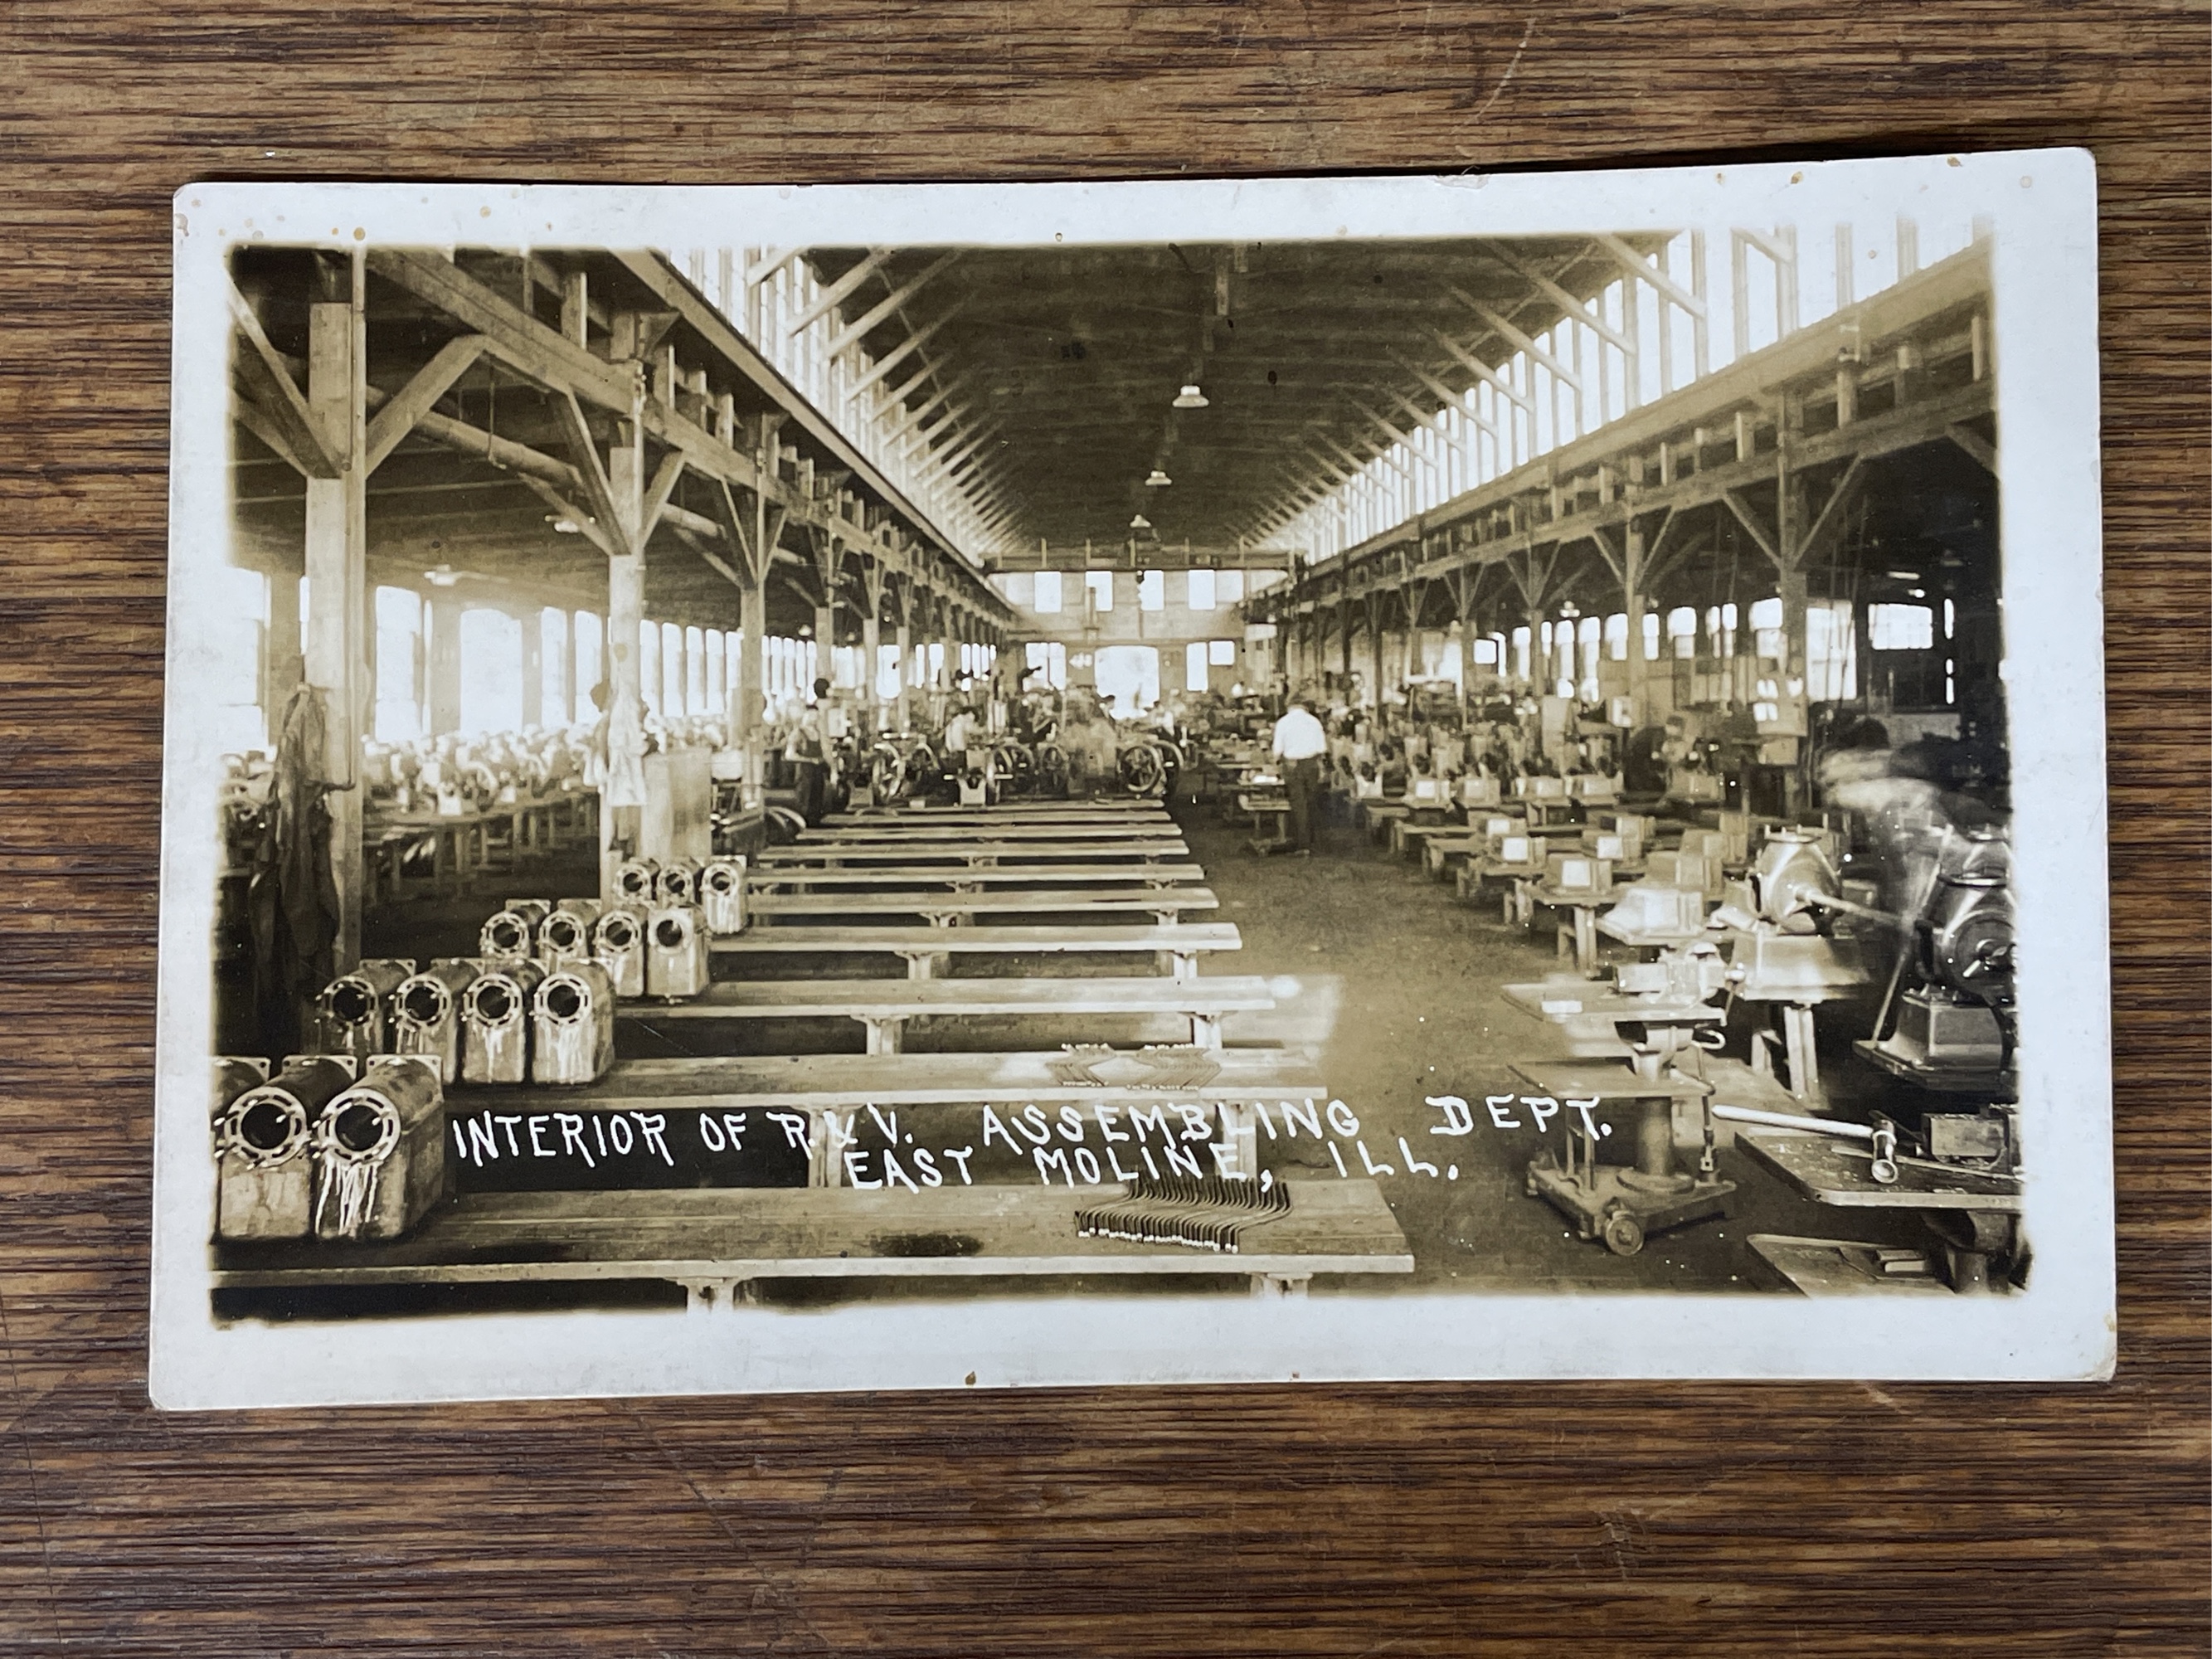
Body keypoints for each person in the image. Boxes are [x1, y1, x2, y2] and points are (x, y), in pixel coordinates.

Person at [1271, 693, 1329, 856]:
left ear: (1290, 706)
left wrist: (1275, 764)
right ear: (1304, 706)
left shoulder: (1283, 722)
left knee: (1299, 804)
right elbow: (1322, 748)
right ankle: (1315, 842)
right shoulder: (1314, 722)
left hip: (1293, 766)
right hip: (1311, 765)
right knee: (1312, 802)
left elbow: (1277, 750)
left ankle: (1302, 844)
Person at [785, 677, 831, 825]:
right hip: (805, 771)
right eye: (812, 715)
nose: (814, 718)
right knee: (805, 796)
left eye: (816, 716)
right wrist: (809, 760)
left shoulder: (817, 733)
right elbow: (789, 755)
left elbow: (825, 748)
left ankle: (815, 820)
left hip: (817, 770)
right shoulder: (799, 733)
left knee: (817, 796)